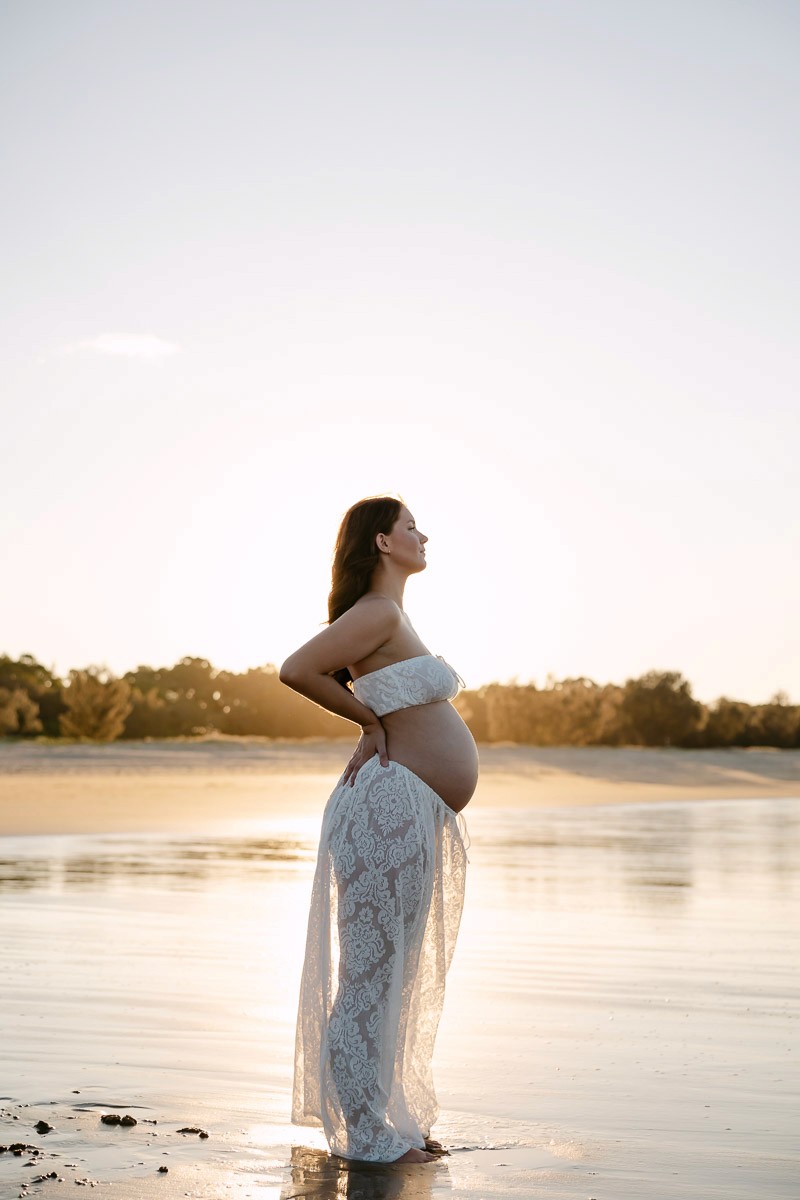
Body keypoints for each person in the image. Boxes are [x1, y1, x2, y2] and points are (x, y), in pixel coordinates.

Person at [280, 495, 479, 1164]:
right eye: (411, 526)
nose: (424, 535)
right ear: (384, 542)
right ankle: (365, 1135)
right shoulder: (378, 611)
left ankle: (385, 1120)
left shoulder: (392, 616)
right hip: (388, 809)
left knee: (391, 974)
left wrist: (375, 718)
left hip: (409, 806)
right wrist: (367, 723)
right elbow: (296, 669)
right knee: (370, 974)